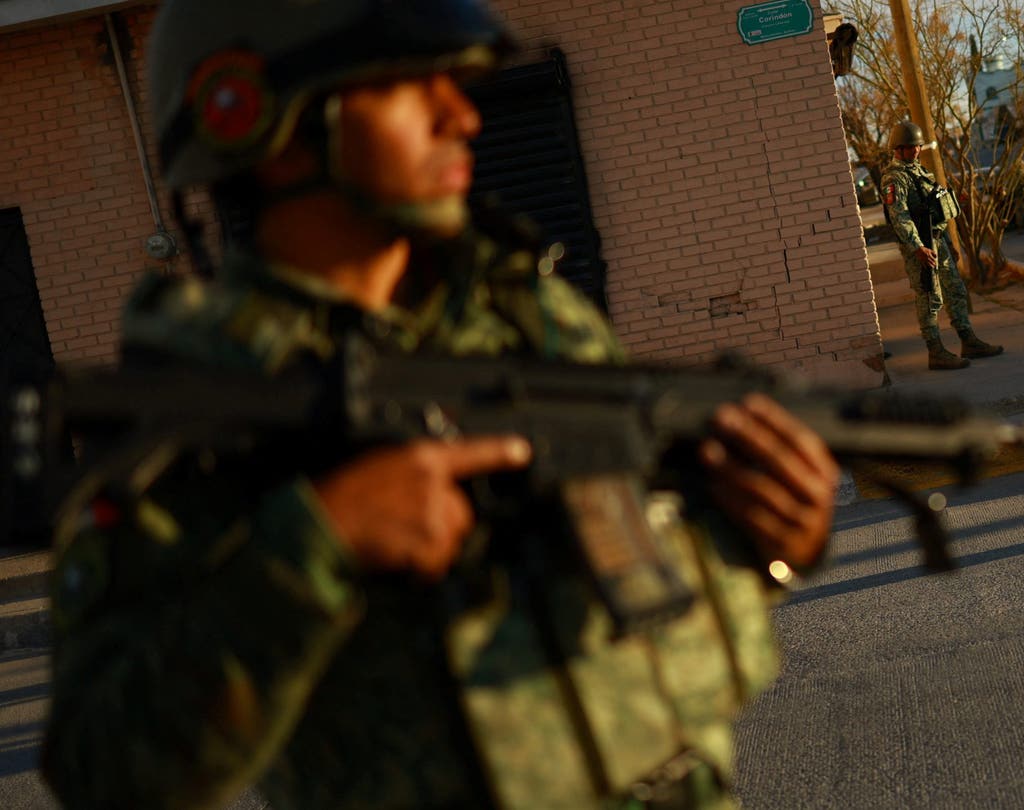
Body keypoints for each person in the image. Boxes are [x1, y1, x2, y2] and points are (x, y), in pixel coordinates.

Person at [40, 1, 841, 808]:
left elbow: (626, 574)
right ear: (261, 121)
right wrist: (317, 543)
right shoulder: (209, 402)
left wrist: (767, 541)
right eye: (408, 86)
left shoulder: (531, 312)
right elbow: (101, 770)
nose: (463, 115)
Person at [881, 120, 1003, 369]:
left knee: (956, 290)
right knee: (929, 297)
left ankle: (968, 340)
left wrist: (948, 242)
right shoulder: (894, 178)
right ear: (898, 148)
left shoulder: (921, 172)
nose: (915, 150)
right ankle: (935, 351)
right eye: (910, 147)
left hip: (937, 242)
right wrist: (918, 247)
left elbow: (935, 212)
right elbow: (899, 216)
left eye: (917, 146)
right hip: (920, 248)